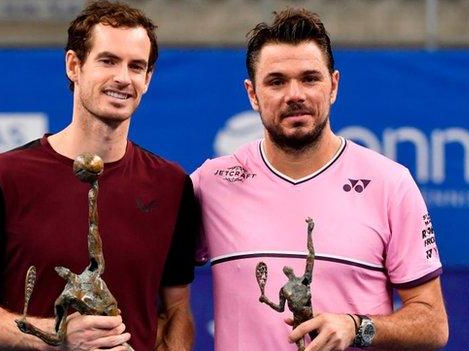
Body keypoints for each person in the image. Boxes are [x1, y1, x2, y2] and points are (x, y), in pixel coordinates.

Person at [0, 1, 198, 351]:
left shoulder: (172, 185)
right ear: (74, 65)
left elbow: (177, 310)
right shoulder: (1, 177)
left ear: (147, 79)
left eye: (136, 66)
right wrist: (54, 336)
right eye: (108, 61)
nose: (123, 77)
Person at [191, 8, 448, 351]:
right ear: (253, 94)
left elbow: (433, 324)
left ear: (334, 86)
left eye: (310, 78)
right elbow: (148, 274)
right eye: (277, 81)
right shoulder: (211, 183)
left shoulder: (390, 184)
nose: (295, 94)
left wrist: (357, 327)